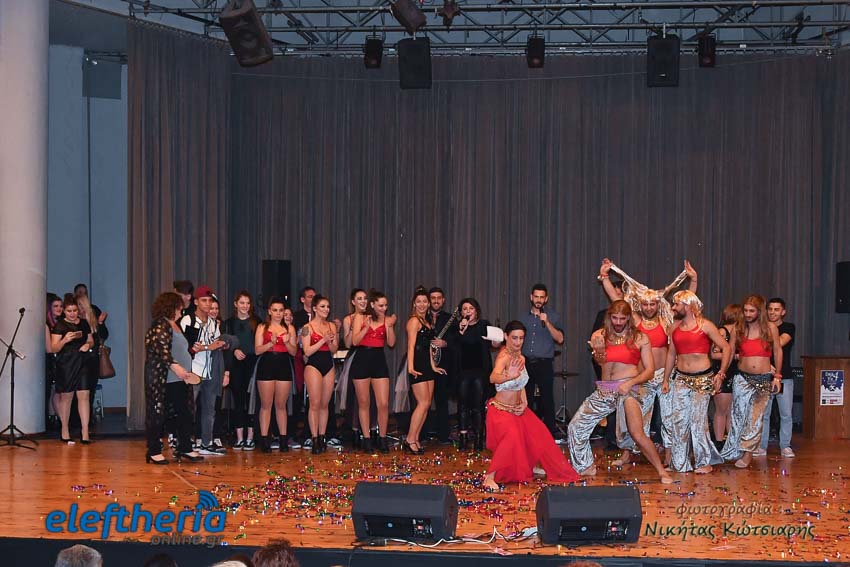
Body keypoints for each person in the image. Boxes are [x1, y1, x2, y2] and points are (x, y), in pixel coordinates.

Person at [598, 259, 698, 466]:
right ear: (640, 304)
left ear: (658, 304)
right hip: (642, 377)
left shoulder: (666, 320)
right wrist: (605, 277)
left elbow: (688, 303)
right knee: (634, 417)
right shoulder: (635, 321)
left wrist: (693, 279)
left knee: (668, 417)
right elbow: (616, 300)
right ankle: (627, 453)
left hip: (664, 375)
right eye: (645, 304)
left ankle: (669, 456)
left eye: (653, 304)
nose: (649, 307)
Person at [569, 301, 672, 483]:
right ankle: (585, 466)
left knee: (637, 433)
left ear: (628, 318)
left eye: (622, 319)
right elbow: (601, 363)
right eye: (615, 318)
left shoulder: (640, 338)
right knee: (576, 426)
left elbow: (649, 370)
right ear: (609, 317)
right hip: (605, 389)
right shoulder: (599, 335)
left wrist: (631, 382)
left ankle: (662, 472)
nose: (618, 322)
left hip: (628, 388)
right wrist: (599, 351)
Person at [483, 321, 579, 490]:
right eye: (514, 338)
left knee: (540, 434)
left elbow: (521, 384)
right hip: (501, 410)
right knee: (511, 437)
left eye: (521, 338)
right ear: (506, 336)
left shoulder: (521, 358)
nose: (518, 342)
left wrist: (525, 402)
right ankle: (489, 477)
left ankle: (529, 466)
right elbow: (493, 377)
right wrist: (509, 376)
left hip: (518, 409)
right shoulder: (504, 356)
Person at [662, 291, 731, 473]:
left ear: (687, 306)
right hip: (681, 378)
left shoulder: (705, 325)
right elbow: (671, 354)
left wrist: (721, 374)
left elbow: (726, 347)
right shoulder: (674, 327)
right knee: (679, 421)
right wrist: (666, 379)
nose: (673, 307)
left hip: (702, 378)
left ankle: (703, 462)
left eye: (677, 304)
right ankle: (679, 463)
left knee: (697, 421)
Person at [721, 295, 782, 468]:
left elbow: (778, 351)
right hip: (742, 378)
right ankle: (734, 450)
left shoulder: (770, 328)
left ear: (759, 311)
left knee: (755, 419)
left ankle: (747, 454)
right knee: (738, 416)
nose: (747, 314)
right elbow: (729, 351)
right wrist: (722, 372)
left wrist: (777, 376)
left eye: (752, 311)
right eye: (746, 310)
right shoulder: (738, 328)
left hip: (763, 379)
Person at [143, 292, 202, 464]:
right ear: (170, 307)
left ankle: (185, 447)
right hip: (166, 378)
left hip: (180, 378)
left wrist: (191, 352)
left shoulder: (174, 325)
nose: (181, 312)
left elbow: (178, 349)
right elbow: (161, 350)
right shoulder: (160, 324)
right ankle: (153, 451)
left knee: (184, 413)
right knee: (158, 414)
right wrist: (177, 367)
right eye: (179, 309)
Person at [180, 285, 228, 454]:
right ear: (196, 302)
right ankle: (184, 443)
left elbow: (216, 344)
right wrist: (206, 347)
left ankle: (206, 443)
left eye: (209, 301)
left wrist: (216, 346)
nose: (207, 304)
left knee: (209, 409)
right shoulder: (188, 321)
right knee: (188, 408)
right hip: (192, 370)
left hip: (209, 370)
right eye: (204, 300)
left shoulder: (213, 323)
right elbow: (183, 346)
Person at [350, 289, 397, 453]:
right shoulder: (361, 317)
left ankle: (382, 438)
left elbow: (391, 343)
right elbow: (354, 341)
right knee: (364, 402)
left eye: (386, 305)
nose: (384, 308)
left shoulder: (387, 319)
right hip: (362, 359)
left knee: (383, 403)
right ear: (373, 305)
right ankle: (367, 439)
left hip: (379, 360)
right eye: (381, 305)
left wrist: (389, 326)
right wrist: (366, 328)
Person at [518, 283, 565, 438]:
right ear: (531, 297)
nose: (538, 300)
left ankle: (550, 430)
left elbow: (560, 339)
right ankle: (526, 430)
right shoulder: (523, 318)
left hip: (544, 362)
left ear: (546, 299)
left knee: (547, 398)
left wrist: (547, 322)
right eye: (536, 297)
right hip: (525, 363)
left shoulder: (553, 316)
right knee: (526, 397)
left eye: (541, 297)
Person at [405, 287, 446, 454]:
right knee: (422, 403)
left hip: (427, 366)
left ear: (428, 304)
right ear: (414, 304)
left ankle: (415, 438)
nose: (422, 304)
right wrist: (410, 367)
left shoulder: (427, 322)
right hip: (417, 365)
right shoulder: (414, 321)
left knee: (427, 404)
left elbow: (429, 347)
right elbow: (411, 346)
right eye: (419, 302)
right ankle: (409, 439)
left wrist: (433, 366)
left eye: (424, 301)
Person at [454, 297, 499, 451]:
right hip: (463, 371)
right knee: (463, 405)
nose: (468, 311)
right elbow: (453, 346)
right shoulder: (458, 327)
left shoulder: (484, 325)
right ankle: (463, 437)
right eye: (465, 309)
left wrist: (496, 341)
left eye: (471, 308)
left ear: (476, 311)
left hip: (480, 371)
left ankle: (479, 438)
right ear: (461, 312)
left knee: (478, 405)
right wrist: (461, 330)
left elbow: (494, 344)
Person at [51, 294, 96, 444]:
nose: (72, 314)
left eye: (75, 310)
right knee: (67, 397)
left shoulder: (84, 323)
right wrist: (64, 340)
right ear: (64, 311)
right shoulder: (59, 326)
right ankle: (65, 430)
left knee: (84, 395)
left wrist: (87, 345)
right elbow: (54, 348)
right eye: (69, 311)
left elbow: (91, 340)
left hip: (83, 361)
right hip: (66, 363)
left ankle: (85, 432)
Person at [254, 297, 297, 452]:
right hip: (266, 364)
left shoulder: (290, 328)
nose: (278, 313)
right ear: (269, 312)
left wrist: (286, 342)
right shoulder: (262, 327)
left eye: (281, 310)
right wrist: (270, 343)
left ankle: (283, 440)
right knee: (266, 405)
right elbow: (257, 350)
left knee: (281, 405)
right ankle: (265, 440)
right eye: (275, 310)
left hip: (284, 364)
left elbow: (294, 352)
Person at [223, 290, 262, 450]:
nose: (245, 306)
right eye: (242, 303)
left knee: (251, 401)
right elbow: (224, 344)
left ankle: (250, 437)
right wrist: (234, 350)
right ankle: (239, 438)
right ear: (236, 304)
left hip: (253, 363)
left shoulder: (257, 322)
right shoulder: (229, 323)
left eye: (247, 303)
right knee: (238, 400)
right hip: (236, 365)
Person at [757, 297, 796, 458]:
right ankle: (761, 446)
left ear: (783, 312)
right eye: (770, 309)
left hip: (784, 376)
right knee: (763, 414)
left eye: (776, 309)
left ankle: (785, 446)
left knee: (785, 413)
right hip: (764, 375)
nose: (772, 312)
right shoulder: (760, 327)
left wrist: (762, 339)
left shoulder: (788, 327)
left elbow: (779, 342)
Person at [301, 294, 339, 454]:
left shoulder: (331, 326)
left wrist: (329, 342)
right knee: (315, 403)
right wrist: (323, 340)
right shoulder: (307, 327)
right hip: (313, 365)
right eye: (323, 306)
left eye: (328, 307)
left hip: (328, 363)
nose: (326, 309)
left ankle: (323, 436)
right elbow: (307, 351)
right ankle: (314, 438)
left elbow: (334, 349)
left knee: (325, 404)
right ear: (315, 308)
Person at [426, 287, 456, 444]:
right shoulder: (422, 317)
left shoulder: (450, 318)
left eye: (439, 298)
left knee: (442, 400)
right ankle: (421, 434)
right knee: (422, 401)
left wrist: (445, 343)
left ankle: (443, 435)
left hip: (442, 365)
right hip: (424, 364)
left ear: (443, 300)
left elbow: (457, 340)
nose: (436, 301)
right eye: (433, 298)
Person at [711, 304, 741, 448]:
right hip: (723, 373)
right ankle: (718, 442)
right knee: (721, 410)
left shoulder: (739, 332)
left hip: (736, 373)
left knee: (731, 411)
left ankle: (730, 442)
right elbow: (713, 354)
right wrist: (734, 356)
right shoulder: (722, 331)